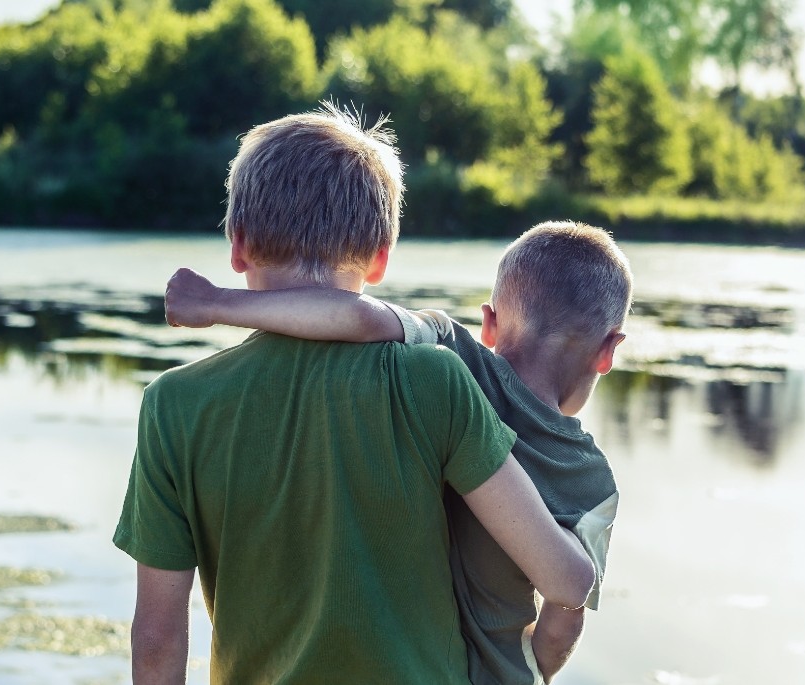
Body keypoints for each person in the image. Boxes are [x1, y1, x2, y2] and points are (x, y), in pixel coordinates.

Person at [114, 106, 595, 685]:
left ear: (237, 246)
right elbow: (563, 580)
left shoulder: (173, 405)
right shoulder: (434, 381)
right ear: (381, 257)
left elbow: (158, 633)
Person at [163, 220, 631, 684]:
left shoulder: (457, 356)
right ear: (608, 351)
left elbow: (359, 316)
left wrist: (217, 303)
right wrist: (526, 669)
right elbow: (565, 614)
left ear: (490, 324)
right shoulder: (592, 480)